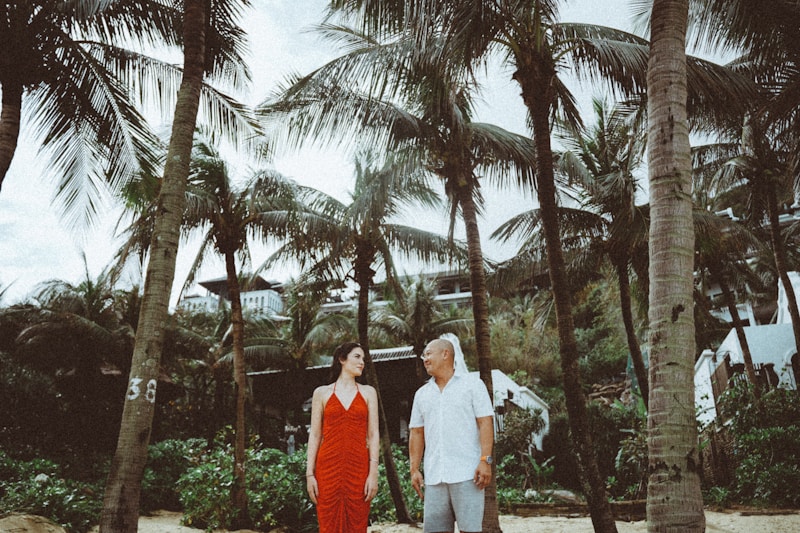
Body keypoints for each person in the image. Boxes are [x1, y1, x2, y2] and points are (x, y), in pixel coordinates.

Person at [409, 334, 495, 533]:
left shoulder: (473, 385)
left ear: (445, 354)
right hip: (434, 476)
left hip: (468, 474)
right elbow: (416, 432)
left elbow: (485, 423)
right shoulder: (422, 394)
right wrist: (414, 469)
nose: (425, 359)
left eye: (428, 354)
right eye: (424, 355)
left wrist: (485, 460)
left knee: (470, 531)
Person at [306, 342, 380, 532]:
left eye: (363, 358)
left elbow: (373, 435)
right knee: (328, 524)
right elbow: (314, 435)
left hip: (359, 468)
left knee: (357, 523)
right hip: (327, 468)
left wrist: (373, 473)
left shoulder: (368, 392)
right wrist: (309, 474)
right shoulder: (321, 393)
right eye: (357, 357)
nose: (362, 362)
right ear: (341, 359)